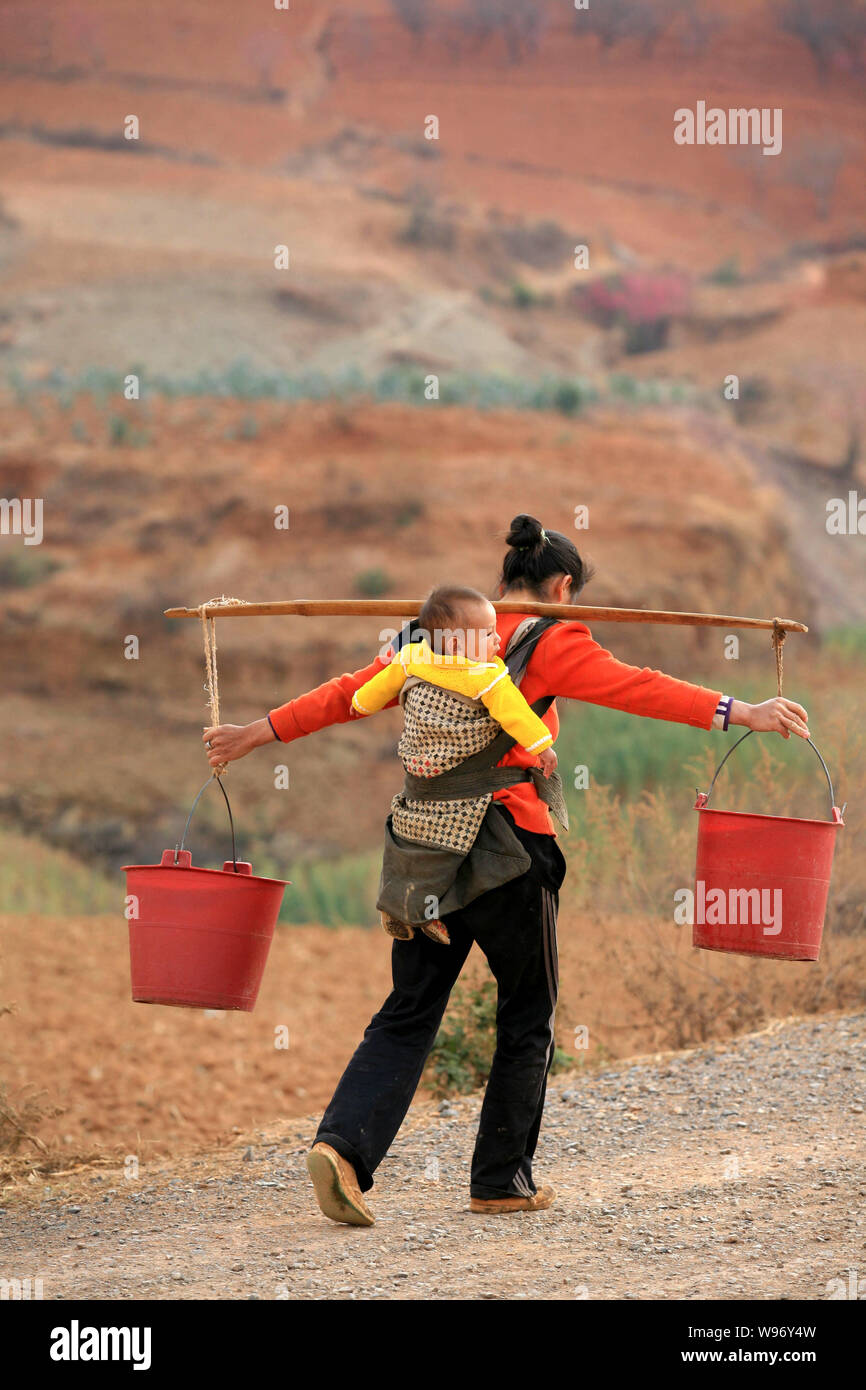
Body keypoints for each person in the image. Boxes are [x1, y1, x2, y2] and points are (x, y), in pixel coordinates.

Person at [203, 513, 810, 1224]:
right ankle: (499, 1179)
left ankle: (341, 1149)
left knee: (408, 1012)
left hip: (422, 855)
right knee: (527, 1012)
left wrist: (255, 732)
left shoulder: (432, 637)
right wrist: (743, 711)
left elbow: (344, 694)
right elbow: (638, 687)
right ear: (560, 587)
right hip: (508, 852)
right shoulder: (555, 639)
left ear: (501, 580)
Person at [350, 582, 558, 947]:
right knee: (451, 844)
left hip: (420, 773)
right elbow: (517, 716)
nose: (498, 641)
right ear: (459, 644)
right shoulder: (487, 677)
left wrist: (361, 704)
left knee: (410, 835)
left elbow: (377, 687)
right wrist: (542, 746)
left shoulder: (412, 657)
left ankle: (401, 900)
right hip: (453, 778)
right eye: (490, 633)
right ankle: (426, 909)